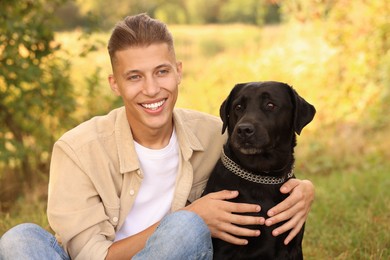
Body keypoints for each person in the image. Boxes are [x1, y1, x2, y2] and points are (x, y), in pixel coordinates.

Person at [0, 13, 315, 260]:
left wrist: (304, 189)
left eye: (161, 72)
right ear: (115, 84)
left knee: (185, 230)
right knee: (19, 239)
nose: (151, 89)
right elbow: (88, 256)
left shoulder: (215, 134)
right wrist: (194, 216)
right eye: (134, 76)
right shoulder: (77, 149)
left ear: (178, 71)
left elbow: (267, 158)